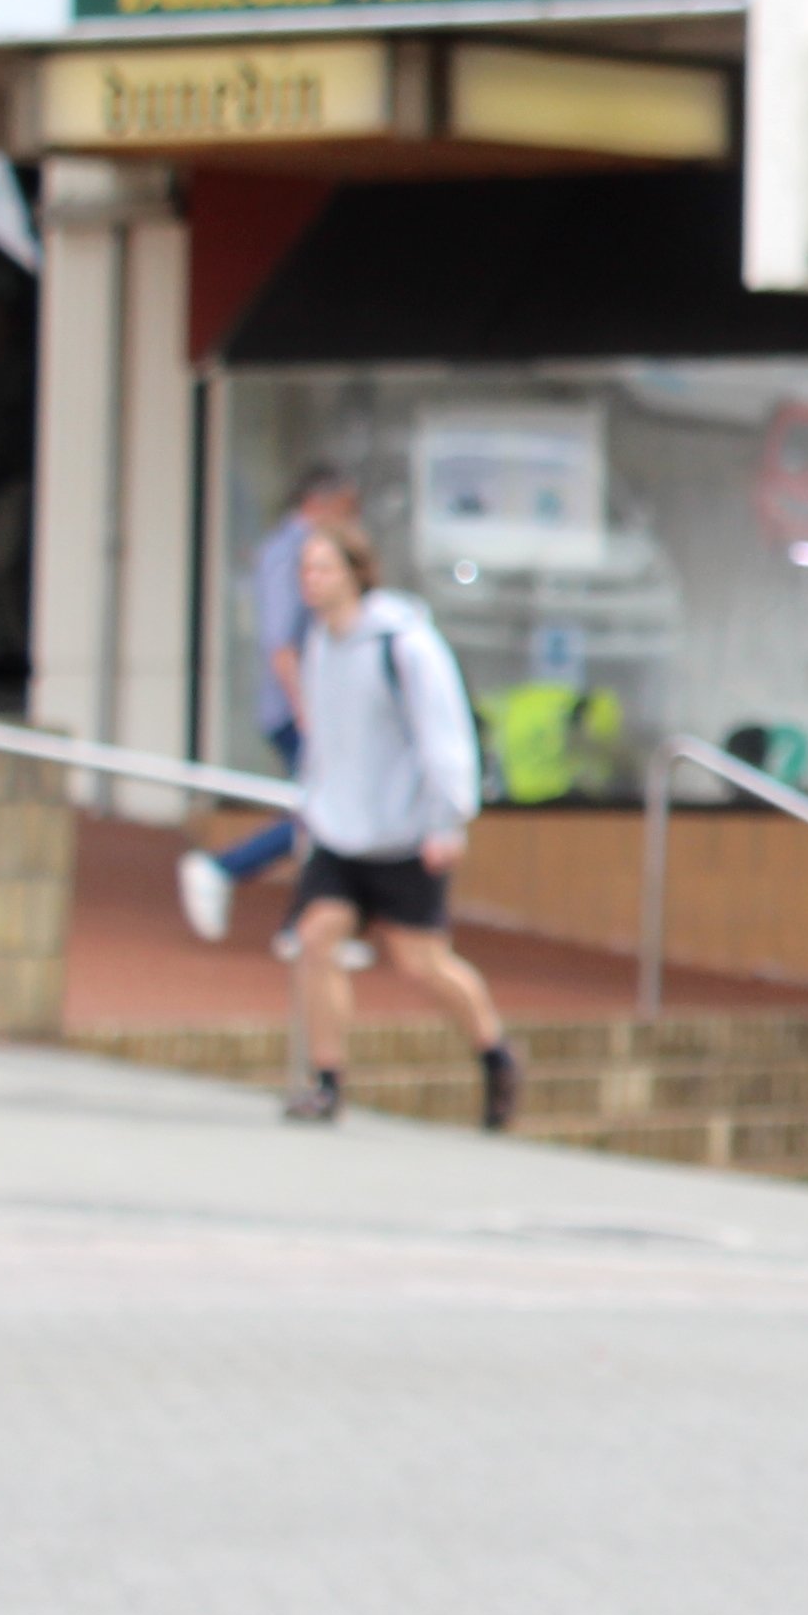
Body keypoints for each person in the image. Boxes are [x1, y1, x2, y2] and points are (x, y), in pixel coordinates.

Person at [274, 522, 516, 1134]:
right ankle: (327, 1081)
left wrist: (447, 819)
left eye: (324, 568)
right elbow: (324, 740)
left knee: (422, 963)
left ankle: (494, 1053)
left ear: (357, 573)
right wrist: (312, 808)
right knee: (317, 935)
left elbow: (444, 734)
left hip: (405, 831)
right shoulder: (320, 642)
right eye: (306, 570)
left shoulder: (404, 644)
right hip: (339, 828)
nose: (312, 580)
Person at [176, 462, 359, 945]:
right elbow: (282, 645)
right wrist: (308, 712)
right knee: (320, 813)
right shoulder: (291, 554)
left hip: (307, 705)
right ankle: (229, 871)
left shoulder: (297, 550)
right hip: (298, 708)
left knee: (321, 814)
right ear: (319, 504)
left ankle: (304, 922)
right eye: (346, 507)